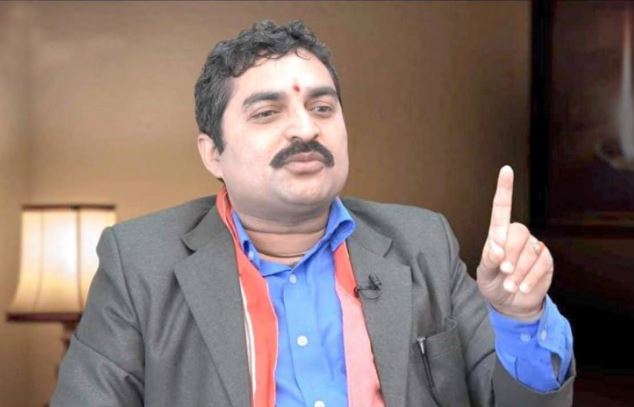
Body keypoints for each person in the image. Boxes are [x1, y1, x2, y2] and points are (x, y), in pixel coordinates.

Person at [51, 20, 574, 407]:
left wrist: (520, 319)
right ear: (213, 154)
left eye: (322, 108)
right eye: (267, 112)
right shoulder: (140, 263)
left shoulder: (423, 243)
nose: (306, 129)